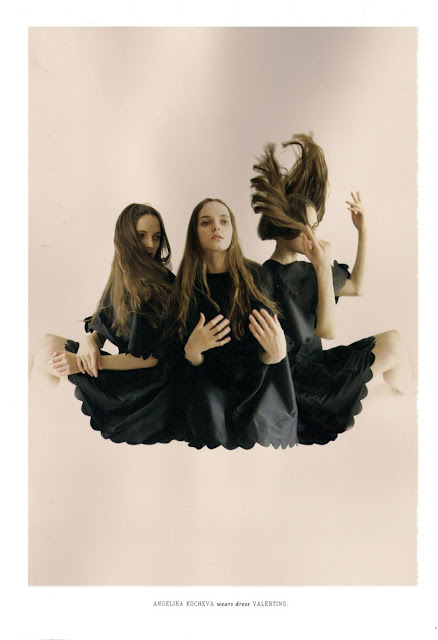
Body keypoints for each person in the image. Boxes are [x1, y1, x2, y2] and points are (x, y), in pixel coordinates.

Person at [251, 134, 415, 445]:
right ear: (284, 230)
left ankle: (407, 392)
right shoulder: (264, 278)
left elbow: (357, 287)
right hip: (300, 388)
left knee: (395, 338)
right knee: (394, 350)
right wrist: (321, 268)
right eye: (304, 230)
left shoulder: (309, 268)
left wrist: (362, 232)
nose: (313, 238)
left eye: (315, 228)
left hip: (320, 367)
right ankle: (411, 395)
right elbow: (327, 331)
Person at [32, 203, 188, 445]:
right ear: (125, 238)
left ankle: (34, 422)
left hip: (152, 385)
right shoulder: (126, 273)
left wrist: (82, 363)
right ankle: (33, 414)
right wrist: (90, 340)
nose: (150, 244)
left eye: (156, 237)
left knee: (46, 355)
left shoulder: (158, 283)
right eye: (142, 235)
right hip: (134, 371)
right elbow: (105, 322)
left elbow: (150, 359)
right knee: (45, 341)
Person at [165, 197, 298, 450]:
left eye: (224, 221)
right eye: (206, 222)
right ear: (195, 233)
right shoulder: (184, 286)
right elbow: (177, 357)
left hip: (257, 385)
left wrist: (274, 355)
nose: (216, 227)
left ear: (233, 230)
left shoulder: (258, 277)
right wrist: (192, 353)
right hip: (208, 388)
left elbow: (273, 346)